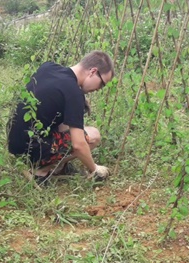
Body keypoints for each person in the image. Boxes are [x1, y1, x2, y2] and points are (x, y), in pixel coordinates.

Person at [7, 51, 114, 184]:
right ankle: (41, 171)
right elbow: (78, 144)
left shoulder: (48, 67)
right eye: (102, 83)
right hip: (31, 151)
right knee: (93, 135)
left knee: (66, 124)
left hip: (14, 143)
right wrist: (95, 169)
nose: (100, 88)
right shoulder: (73, 92)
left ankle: (60, 166)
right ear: (92, 71)